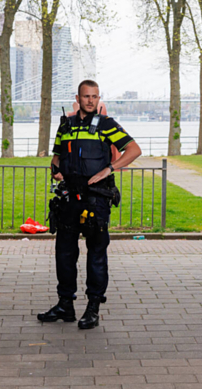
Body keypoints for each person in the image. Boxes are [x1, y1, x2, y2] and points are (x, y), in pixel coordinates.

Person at [38, 80, 142, 329]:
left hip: (96, 200)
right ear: (78, 98)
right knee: (64, 254)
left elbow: (134, 149)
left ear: (98, 98)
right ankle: (65, 305)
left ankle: (93, 308)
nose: (90, 101)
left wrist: (109, 169)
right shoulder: (65, 126)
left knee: (96, 255)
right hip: (69, 200)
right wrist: (56, 170)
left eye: (95, 96)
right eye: (86, 96)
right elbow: (57, 155)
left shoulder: (106, 125)